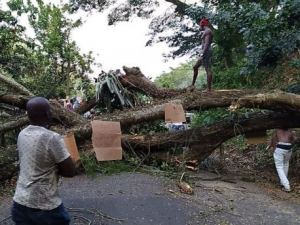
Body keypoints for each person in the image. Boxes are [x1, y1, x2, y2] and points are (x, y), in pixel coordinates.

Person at [11, 97, 76, 224]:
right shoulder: (51, 138)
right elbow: (70, 171)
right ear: (48, 114)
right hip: (45, 207)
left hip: (20, 203)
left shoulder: (22, 134)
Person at [190, 18, 214, 93]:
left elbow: (206, 43)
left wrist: (202, 54)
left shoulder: (208, 31)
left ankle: (208, 89)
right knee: (195, 67)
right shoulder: (207, 31)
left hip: (206, 52)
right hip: (205, 52)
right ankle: (192, 85)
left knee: (208, 69)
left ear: (202, 25)